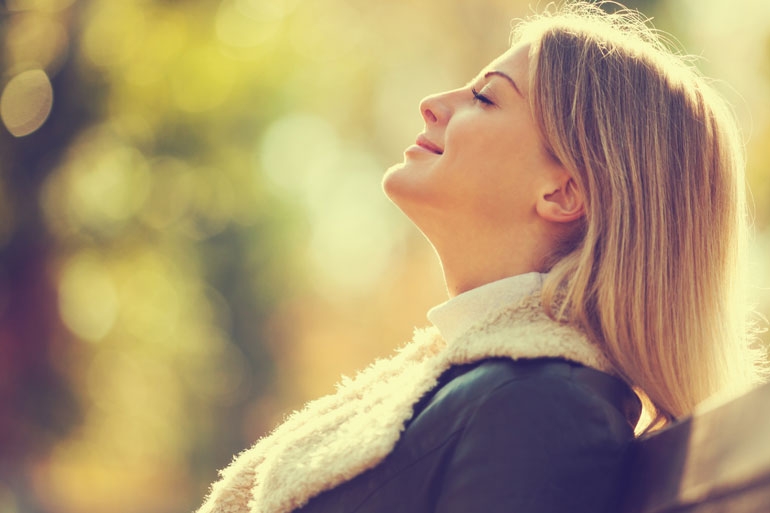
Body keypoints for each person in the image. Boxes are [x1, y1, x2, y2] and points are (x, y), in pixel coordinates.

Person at [196, 2, 766, 512]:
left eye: (484, 96)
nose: (431, 104)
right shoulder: (498, 392)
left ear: (564, 191)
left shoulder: (540, 411)